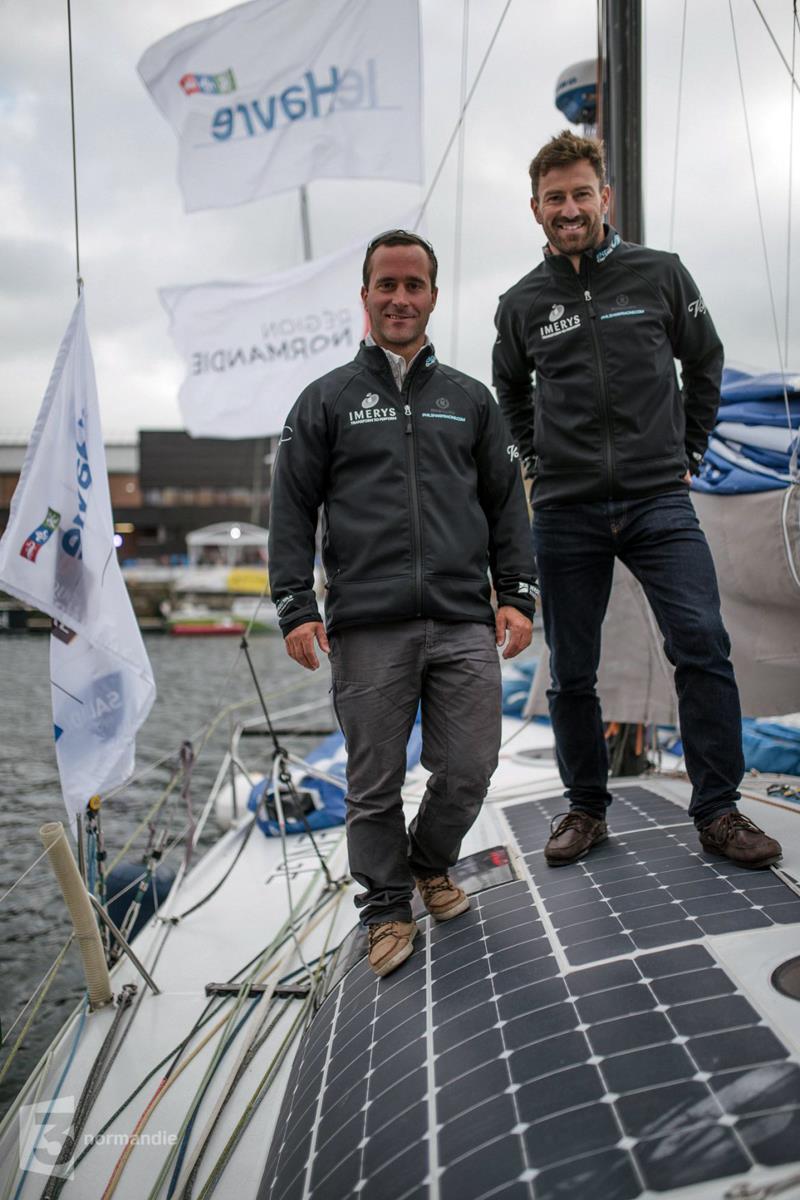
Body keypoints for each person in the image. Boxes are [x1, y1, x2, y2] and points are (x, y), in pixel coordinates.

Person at [492, 130, 781, 871]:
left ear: (604, 198)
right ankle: (585, 809)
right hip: (566, 510)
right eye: (554, 197)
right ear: (536, 208)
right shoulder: (521, 304)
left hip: (659, 501)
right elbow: (511, 392)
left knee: (702, 647)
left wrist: (687, 451)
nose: (569, 208)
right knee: (572, 673)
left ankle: (717, 810)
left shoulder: (660, 274)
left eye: (581, 193)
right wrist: (535, 459)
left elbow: (705, 360)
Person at [269, 230, 535, 977]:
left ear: (433, 297)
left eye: (413, 285)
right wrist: (296, 605)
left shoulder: (469, 401)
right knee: (374, 781)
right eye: (386, 285)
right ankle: (385, 909)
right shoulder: (326, 400)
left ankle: (428, 863)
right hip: (367, 624)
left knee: (469, 768)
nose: (399, 298)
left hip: (460, 619)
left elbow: (505, 506)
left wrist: (515, 593)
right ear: (366, 297)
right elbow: (290, 509)